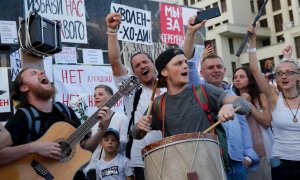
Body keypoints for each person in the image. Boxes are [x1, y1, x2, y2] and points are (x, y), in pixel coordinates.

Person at [105, 12, 206, 179]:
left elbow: (182, 57)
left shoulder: (171, 86)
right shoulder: (132, 90)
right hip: (143, 160)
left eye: (145, 62)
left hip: (175, 155)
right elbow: (116, 62)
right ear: (134, 73)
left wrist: (191, 32)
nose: (142, 66)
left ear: (154, 65)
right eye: (136, 66)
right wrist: (111, 31)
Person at [3, 67, 111, 177]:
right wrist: (34, 147)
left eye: (41, 71)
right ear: (24, 87)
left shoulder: (65, 111)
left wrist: (102, 129)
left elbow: (84, 150)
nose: (41, 72)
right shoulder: (24, 117)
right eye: (33, 73)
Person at [247, 25, 300, 180]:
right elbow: (255, 70)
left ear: (298, 77)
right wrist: (252, 41)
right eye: (280, 73)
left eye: (289, 73)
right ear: (276, 78)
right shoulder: (274, 98)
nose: (284, 76)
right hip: (280, 163)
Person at [200, 54, 259, 180]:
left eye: (219, 67)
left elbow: (243, 126)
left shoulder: (232, 94)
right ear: (202, 72)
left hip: (239, 163)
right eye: (210, 67)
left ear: (224, 70)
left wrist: (248, 155)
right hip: (214, 164)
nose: (216, 70)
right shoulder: (198, 95)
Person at [233, 66, 273, 180]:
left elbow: (266, 122)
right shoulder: (231, 99)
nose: (237, 79)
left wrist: (249, 103)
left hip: (262, 149)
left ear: (250, 79)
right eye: (235, 77)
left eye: (242, 76)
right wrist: (242, 101)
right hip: (243, 154)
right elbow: (236, 123)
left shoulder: (261, 97)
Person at [84, 85, 128, 179]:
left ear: (111, 97)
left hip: (114, 170)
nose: (96, 97)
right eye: (95, 95)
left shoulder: (121, 117)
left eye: (100, 94)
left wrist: (109, 143)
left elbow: (124, 144)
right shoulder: (89, 121)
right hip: (92, 169)